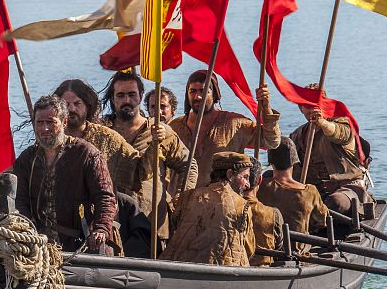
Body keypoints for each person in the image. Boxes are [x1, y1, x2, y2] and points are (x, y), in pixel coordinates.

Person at [101, 71, 197, 252]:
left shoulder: (160, 131)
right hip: (112, 220)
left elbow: (188, 165)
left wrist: (182, 198)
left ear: (140, 97)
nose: (126, 100)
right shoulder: (102, 131)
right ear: (113, 99)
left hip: (150, 220)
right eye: (120, 95)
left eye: (131, 94)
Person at [13, 94, 117, 253]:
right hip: (37, 245)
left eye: (51, 122)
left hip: (79, 244)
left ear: (64, 122)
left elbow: (105, 197)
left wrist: (101, 228)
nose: (45, 128)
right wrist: (26, 232)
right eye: (40, 122)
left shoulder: (87, 154)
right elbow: (19, 200)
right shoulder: (27, 159)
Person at [169, 70, 281, 188]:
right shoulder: (174, 127)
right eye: (193, 91)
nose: (197, 96)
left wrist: (266, 106)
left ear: (214, 94)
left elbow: (271, 141)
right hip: (181, 201)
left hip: (223, 201)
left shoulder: (235, 124)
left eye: (203, 91)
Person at [160, 152, 255, 266]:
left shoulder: (187, 196)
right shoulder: (243, 206)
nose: (248, 185)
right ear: (230, 175)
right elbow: (249, 249)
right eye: (245, 177)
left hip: (180, 266)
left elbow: (175, 225)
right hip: (223, 272)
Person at [289, 84, 371, 214]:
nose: (312, 109)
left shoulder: (342, 124)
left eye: (316, 104)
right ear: (301, 108)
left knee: (335, 202)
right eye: (307, 105)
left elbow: (342, 134)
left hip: (346, 188)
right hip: (312, 191)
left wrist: (322, 123)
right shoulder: (297, 135)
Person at [54, 79, 141, 195]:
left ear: (87, 105)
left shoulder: (106, 137)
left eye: (77, 103)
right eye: (65, 104)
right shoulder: (50, 138)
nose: (71, 109)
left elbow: (136, 168)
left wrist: (154, 148)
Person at [258, 137, 328, 250]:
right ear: (295, 162)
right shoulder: (310, 191)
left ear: (271, 163)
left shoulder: (259, 187)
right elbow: (322, 221)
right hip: (298, 251)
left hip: (268, 249)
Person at [242, 157, 284, 266]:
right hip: (263, 269)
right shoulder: (273, 214)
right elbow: (279, 251)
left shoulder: (224, 208)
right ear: (260, 180)